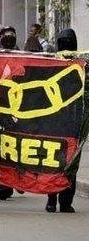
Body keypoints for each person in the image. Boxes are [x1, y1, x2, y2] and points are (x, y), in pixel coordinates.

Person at [47, 29, 79, 213]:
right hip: (69, 120)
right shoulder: (82, 64)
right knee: (69, 161)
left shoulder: (51, 62)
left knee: (56, 161)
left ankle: (54, 200)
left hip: (58, 120)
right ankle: (62, 201)